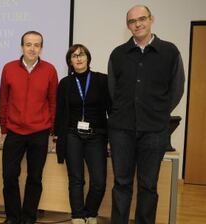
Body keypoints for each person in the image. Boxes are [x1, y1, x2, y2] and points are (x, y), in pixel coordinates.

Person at [108, 5, 185, 224]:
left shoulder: (170, 51)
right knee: (121, 183)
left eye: (142, 19)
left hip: (155, 131)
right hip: (122, 130)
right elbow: (114, 91)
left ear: (151, 19)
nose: (137, 24)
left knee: (148, 185)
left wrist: (158, 112)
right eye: (132, 21)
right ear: (128, 26)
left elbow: (177, 89)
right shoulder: (118, 54)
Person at [0, 31, 58, 224]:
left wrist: (51, 133)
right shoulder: (8, 68)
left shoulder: (50, 70)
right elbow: (4, 101)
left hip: (40, 133)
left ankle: (28, 218)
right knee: (9, 177)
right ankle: (13, 218)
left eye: (36, 45)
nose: (32, 48)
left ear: (41, 47)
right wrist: (3, 130)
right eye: (28, 44)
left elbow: (53, 103)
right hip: (14, 131)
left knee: (34, 178)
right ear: (22, 46)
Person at [54, 44, 110, 224]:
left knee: (99, 181)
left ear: (88, 57)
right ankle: (77, 216)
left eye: (81, 54)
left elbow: (111, 110)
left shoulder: (102, 80)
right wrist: (56, 136)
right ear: (69, 61)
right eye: (74, 56)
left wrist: (112, 138)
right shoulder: (65, 83)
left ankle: (90, 213)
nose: (78, 58)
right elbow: (60, 112)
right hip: (72, 135)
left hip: (97, 135)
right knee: (76, 179)